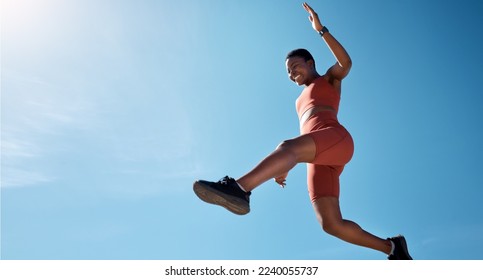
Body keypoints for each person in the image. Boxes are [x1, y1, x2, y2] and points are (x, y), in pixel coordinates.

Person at [193, 2, 412, 260]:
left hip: (336, 139)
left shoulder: (328, 79)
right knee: (330, 223)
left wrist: (321, 30)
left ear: (310, 62)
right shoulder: (298, 101)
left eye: (294, 66)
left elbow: (346, 62)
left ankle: (239, 189)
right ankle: (393, 248)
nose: (291, 73)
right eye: (287, 72)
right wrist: (283, 166)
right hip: (318, 156)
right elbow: (303, 141)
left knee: (286, 146)